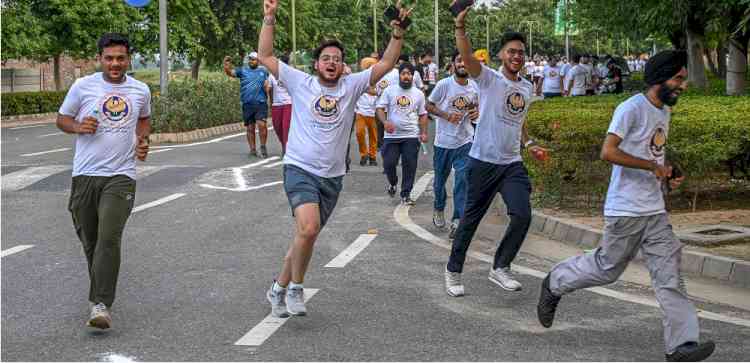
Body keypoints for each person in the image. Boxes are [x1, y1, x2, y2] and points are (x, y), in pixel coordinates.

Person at [537, 50, 716, 362]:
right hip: (625, 210)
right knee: (607, 269)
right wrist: (651, 166)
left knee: (669, 273)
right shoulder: (630, 108)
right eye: (678, 79)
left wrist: (669, 170)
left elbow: (654, 152)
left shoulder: (663, 112)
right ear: (660, 78)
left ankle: (681, 345)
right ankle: (555, 281)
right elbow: (608, 152)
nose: (683, 86)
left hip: (654, 210)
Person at [257, 0, 410, 318]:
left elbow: (385, 64)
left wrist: (397, 34)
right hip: (299, 167)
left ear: (343, 67)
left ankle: (278, 288)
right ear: (316, 64)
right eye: (326, 58)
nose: (331, 63)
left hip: (333, 175)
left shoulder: (351, 86)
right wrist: (269, 18)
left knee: (305, 236)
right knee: (309, 228)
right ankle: (297, 289)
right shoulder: (301, 82)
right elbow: (266, 56)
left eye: (337, 60)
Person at [444, 7, 549, 298]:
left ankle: (500, 266)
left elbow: (520, 120)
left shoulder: (527, 87)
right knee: (470, 220)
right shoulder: (489, 78)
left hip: (511, 164)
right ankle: (453, 270)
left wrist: (529, 145)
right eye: (512, 52)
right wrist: (460, 27)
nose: (517, 56)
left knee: (522, 215)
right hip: (483, 162)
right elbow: (466, 58)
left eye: (521, 53)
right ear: (502, 55)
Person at [56, 33, 151, 330]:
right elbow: (62, 119)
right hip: (85, 174)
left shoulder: (140, 90)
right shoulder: (83, 86)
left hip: (121, 176)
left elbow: (144, 119)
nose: (115, 63)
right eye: (109, 58)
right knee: (91, 241)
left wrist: (143, 140)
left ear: (128, 59)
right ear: (100, 58)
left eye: (120, 58)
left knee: (109, 237)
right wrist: (78, 127)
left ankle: (100, 304)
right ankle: (99, 292)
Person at [426, 52, 479, 238]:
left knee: (463, 179)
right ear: (454, 65)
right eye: (459, 61)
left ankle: (457, 220)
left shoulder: (475, 86)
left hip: (465, 140)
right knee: (440, 181)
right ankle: (439, 207)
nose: (463, 63)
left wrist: (475, 114)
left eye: (465, 61)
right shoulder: (444, 85)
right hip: (443, 142)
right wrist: (447, 115)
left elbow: (476, 107)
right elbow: (428, 106)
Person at [376, 62, 429, 205]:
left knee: (410, 166)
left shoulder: (418, 94)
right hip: (391, 136)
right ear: (399, 75)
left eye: (409, 74)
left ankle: (406, 194)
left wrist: (424, 132)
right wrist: (385, 122)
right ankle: (392, 183)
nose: (406, 76)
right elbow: (380, 108)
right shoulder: (389, 91)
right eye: (404, 73)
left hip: (411, 135)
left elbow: (423, 114)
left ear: (413, 76)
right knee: (389, 163)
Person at [224, 52, 270, 158]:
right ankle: (252, 150)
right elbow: (230, 73)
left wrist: (268, 88)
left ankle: (263, 146)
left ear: (258, 61)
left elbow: (269, 83)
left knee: (262, 125)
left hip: (261, 103)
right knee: (250, 128)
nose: (251, 61)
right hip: (247, 103)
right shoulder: (242, 70)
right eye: (250, 59)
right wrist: (226, 65)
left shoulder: (264, 71)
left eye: (253, 59)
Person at [267, 54, 293, 155]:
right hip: (276, 105)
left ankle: (286, 150)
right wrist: (271, 102)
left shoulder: (291, 74)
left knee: (286, 127)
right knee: (277, 127)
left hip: (288, 104)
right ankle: (283, 144)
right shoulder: (272, 75)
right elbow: (269, 90)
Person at [355, 82, 379, 166]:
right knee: (359, 132)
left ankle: (372, 157)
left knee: (373, 135)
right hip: (360, 113)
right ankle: (364, 154)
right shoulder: (360, 87)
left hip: (372, 114)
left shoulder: (378, 90)